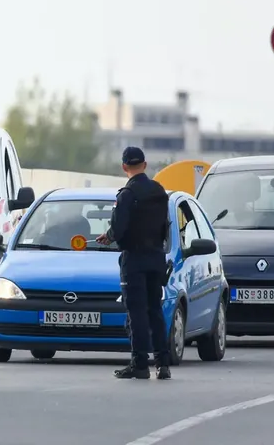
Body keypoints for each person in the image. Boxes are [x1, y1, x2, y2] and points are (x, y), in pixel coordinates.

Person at [96, 146, 171, 380]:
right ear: (145, 165)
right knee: (155, 310)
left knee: (136, 312)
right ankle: (163, 363)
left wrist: (108, 235)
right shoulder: (159, 191)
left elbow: (119, 229)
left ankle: (140, 364)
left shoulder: (126, 195)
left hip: (134, 259)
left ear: (124, 167)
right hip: (156, 257)